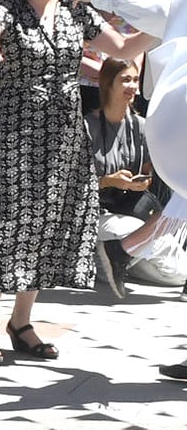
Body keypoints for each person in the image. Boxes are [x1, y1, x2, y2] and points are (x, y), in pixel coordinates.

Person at [0, 0, 151, 364]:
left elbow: (122, 47)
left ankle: (21, 321)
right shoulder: (9, 8)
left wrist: (170, 20)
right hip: (17, 129)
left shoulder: (76, 10)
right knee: (7, 221)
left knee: (46, 224)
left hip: (63, 132)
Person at [87, 55, 184, 291]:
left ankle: (112, 263)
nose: (132, 86)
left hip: (132, 209)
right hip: (97, 212)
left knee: (178, 275)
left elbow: (153, 166)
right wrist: (108, 180)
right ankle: (104, 256)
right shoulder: (86, 126)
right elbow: (69, 184)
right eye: (125, 80)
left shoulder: (142, 126)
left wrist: (142, 180)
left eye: (135, 80)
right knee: (139, 234)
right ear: (108, 84)